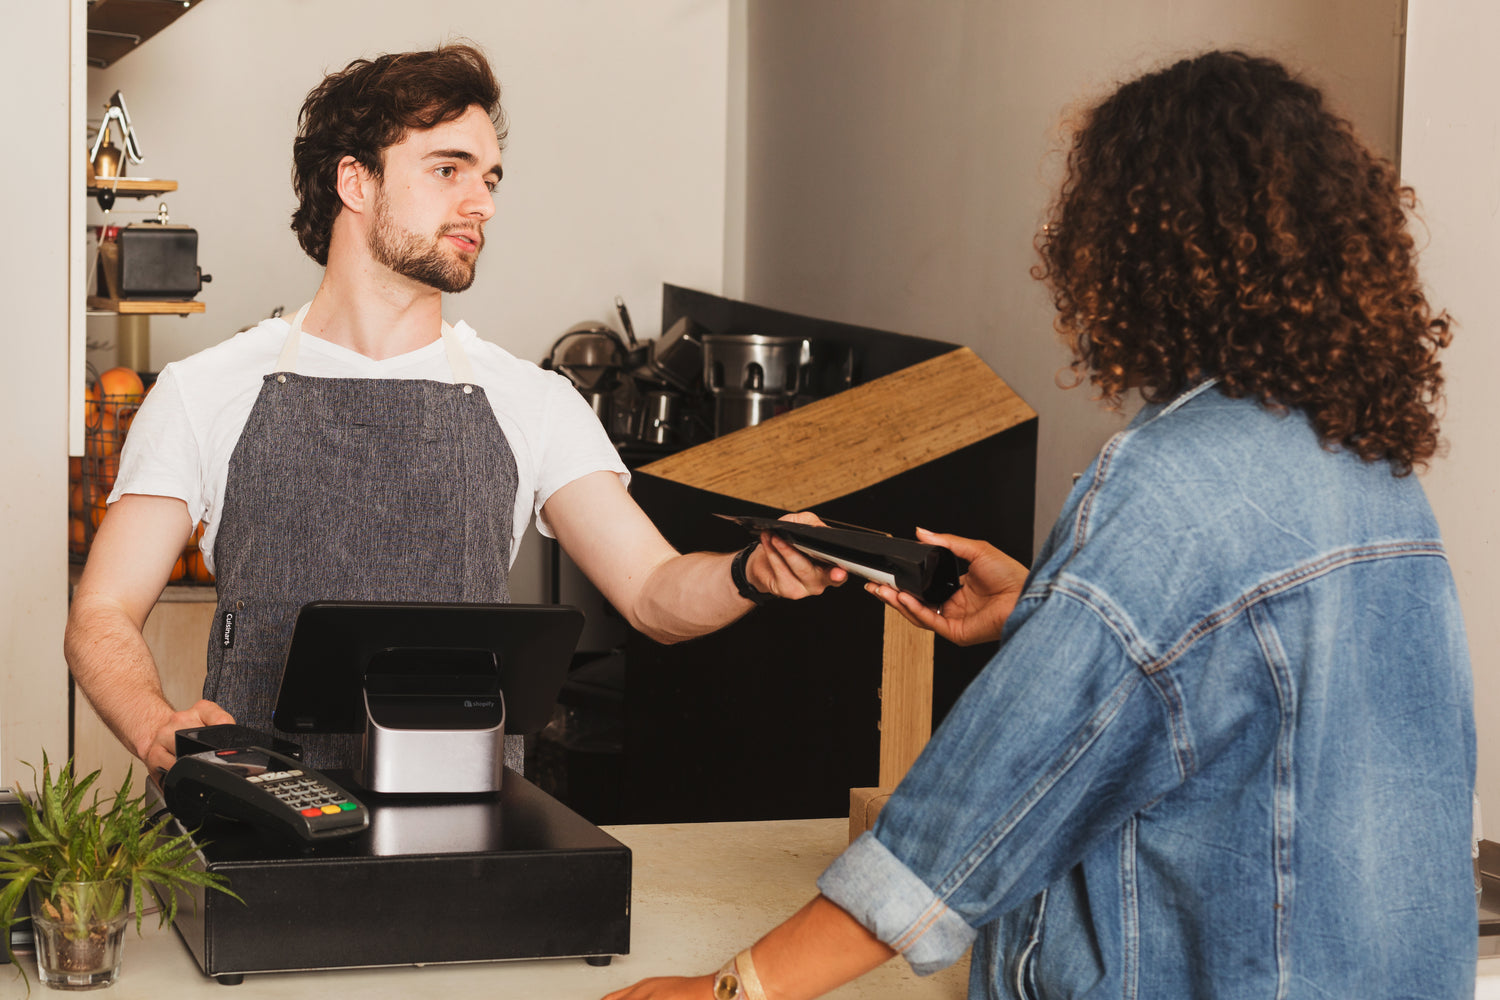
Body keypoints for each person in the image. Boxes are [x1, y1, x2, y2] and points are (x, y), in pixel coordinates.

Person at [603, 50, 1475, 1000]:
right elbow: (1241, 693)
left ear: (1141, 248)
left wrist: (735, 989)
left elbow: (978, 807)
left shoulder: (1169, 483)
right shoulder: (1375, 474)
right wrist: (1053, 610)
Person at [64, 43, 843, 775]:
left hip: (467, 828)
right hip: (258, 820)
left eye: (491, 179)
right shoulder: (207, 390)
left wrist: (750, 573)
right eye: (449, 170)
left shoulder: (532, 401)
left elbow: (652, 591)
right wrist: (152, 722)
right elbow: (101, 611)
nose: (483, 204)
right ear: (355, 183)